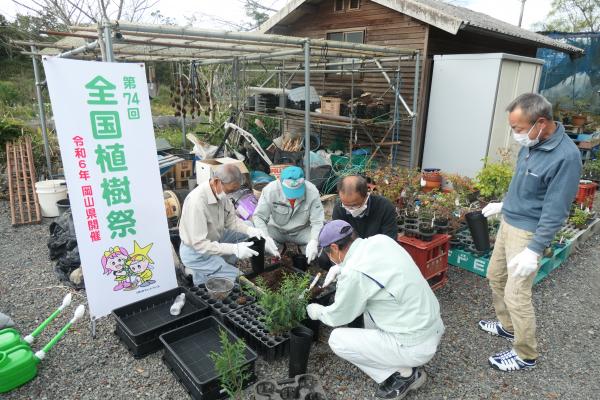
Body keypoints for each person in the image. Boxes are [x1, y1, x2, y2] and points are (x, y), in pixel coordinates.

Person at [478, 93, 581, 372]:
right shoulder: (532, 143)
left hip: (528, 233)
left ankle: (525, 355)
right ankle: (508, 326)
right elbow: (521, 182)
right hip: (510, 221)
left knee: (517, 294)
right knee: (494, 276)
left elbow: (556, 209)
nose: (515, 135)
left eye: (518, 129)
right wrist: (505, 204)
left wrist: (534, 250)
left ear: (541, 122)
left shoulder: (566, 157)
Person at [306, 220, 444, 399]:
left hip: (415, 344)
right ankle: (399, 359)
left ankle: (405, 374)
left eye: (328, 252)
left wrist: (316, 311)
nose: (329, 256)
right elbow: (375, 270)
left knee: (337, 339)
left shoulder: (354, 274)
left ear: (334, 247)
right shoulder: (381, 241)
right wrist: (341, 267)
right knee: (369, 302)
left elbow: (338, 316)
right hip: (431, 324)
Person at [178, 164, 267, 284]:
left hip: (216, 239)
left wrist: (250, 230)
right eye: (230, 190)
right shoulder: (197, 203)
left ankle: (219, 265)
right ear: (216, 182)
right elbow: (199, 244)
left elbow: (231, 221)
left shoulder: (221, 193)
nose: (231, 194)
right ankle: (198, 274)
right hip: (198, 253)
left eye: (235, 190)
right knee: (237, 278)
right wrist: (234, 249)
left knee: (249, 226)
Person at [253, 166, 324, 263]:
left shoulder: (312, 191)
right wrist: (266, 237)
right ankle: (279, 249)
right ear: (280, 183)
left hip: (302, 230)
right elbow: (259, 217)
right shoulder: (270, 190)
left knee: (322, 239)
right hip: (276, 229)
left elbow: (318, 221)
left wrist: (314, 240)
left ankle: (303, 249)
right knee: (258, 237)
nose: (293, 196)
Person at [333, 174, 398, 240]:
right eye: (346, 205)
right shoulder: (339, 208)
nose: (350, 209)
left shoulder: (384, 207)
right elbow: (339, 239)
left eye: (354, 205)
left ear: (366, 195)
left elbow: (390, 240)